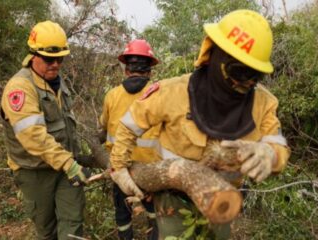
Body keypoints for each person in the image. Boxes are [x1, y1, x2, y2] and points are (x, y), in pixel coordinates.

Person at [109, 9, 290, 239]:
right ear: (214, 55)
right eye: (240, 71)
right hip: (173, 201)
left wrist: (270, 154)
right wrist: (119, 167)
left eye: (255, 75)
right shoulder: (172, 92)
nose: (246, 83)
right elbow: (128, 125)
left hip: (223, 200)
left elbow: (279, 146)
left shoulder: (264, 104)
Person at [0, 20, 90, 239]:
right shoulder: (20, 87)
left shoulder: (58, 82)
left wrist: (73, 159)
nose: (56, 65)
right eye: (50, 59)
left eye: (60, 59)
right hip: (35, 172)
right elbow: (33, 136)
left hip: (64, 167)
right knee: (46, 229)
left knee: (73, 223)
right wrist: (69, 164)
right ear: (34, 55)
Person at [100, 39, 160, 240]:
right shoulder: (159, 94)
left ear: (126, 70)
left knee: (122, 213)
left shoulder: (111, 96)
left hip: (120, 168)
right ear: (150, 71)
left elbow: (103, 126)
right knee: (155, 214)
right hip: (151, 170)